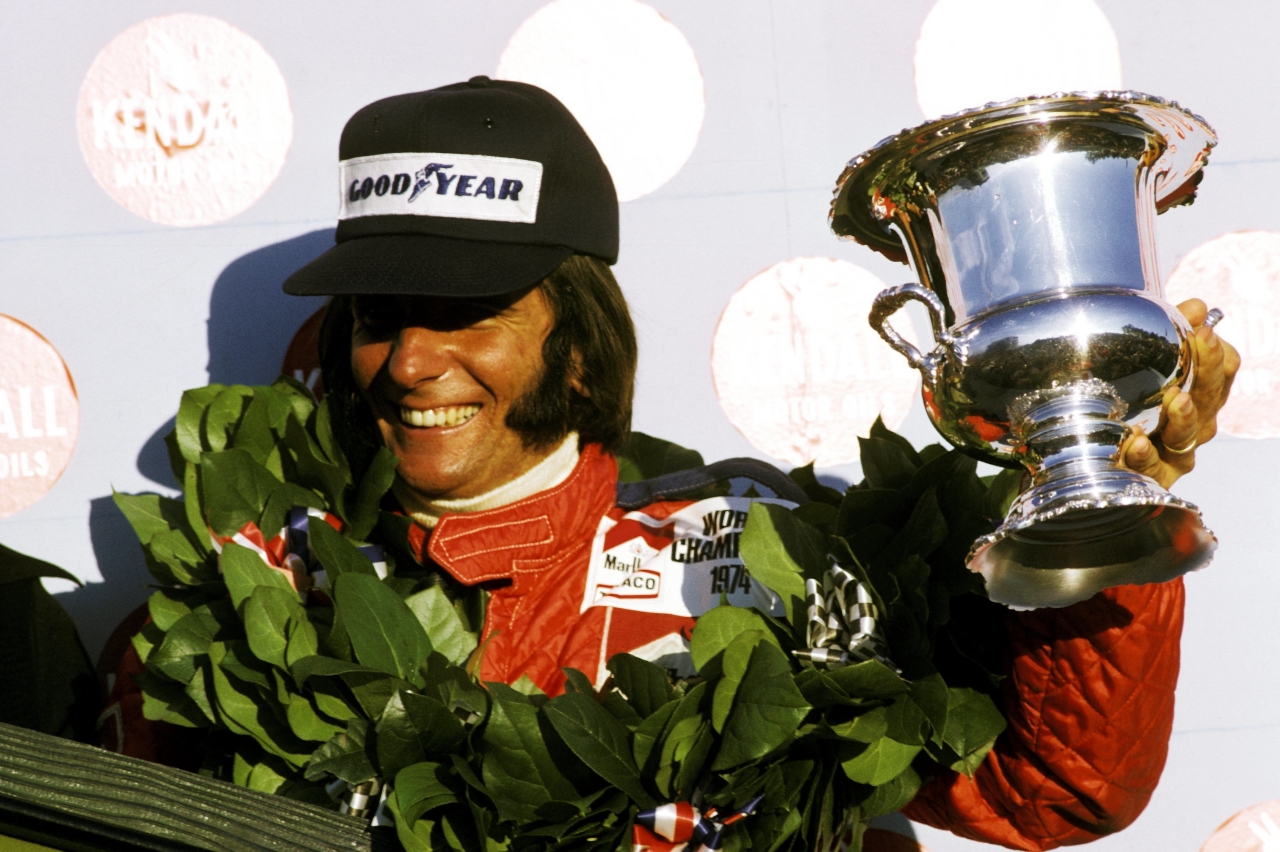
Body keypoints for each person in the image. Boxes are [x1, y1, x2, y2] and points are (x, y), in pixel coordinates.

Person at [118, 77, 1241, 851]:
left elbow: (1060, 791)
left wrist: (1095, 516)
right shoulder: (245, 599)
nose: (410, 361)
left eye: (465, 310)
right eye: (379, 314)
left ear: (577, 337)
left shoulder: (771, 564)